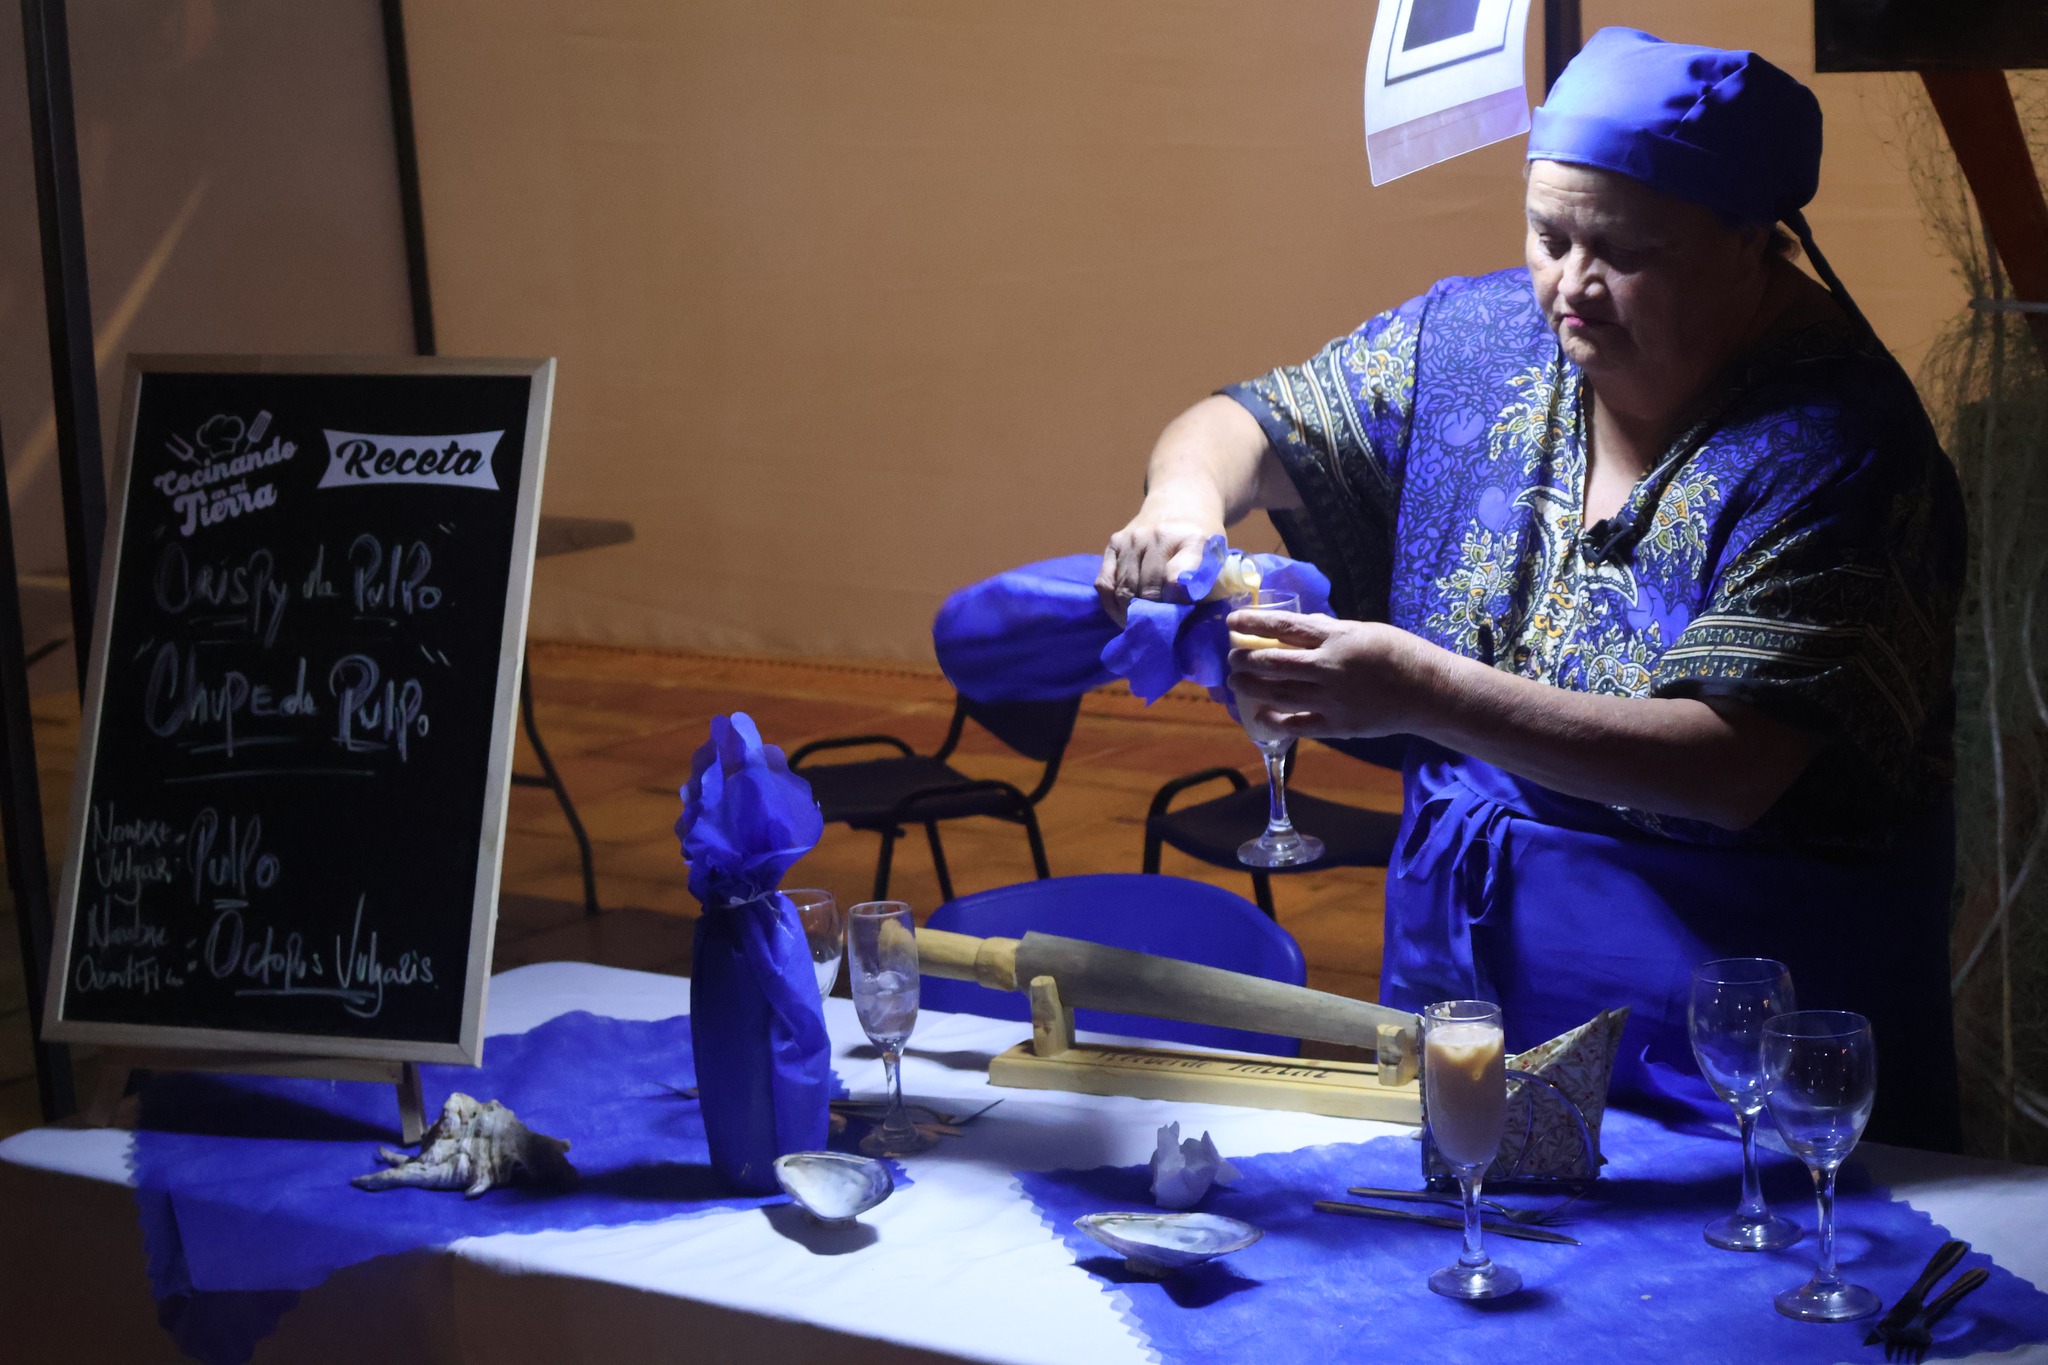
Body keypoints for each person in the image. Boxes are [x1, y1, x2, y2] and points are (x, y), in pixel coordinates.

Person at [1097, 28, 1965, 1150]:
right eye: (1546, 234)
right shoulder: (1476, 340)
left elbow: (1734, 764)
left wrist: (1425, 690)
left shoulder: (1835, 447)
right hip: (1467, 979)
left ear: (1753, 243)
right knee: (1472, 1271)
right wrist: (1181, 502)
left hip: (1731, 1013)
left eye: (1624, 251)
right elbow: (1247, 423)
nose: (1571, 285)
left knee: (1729, 1298)